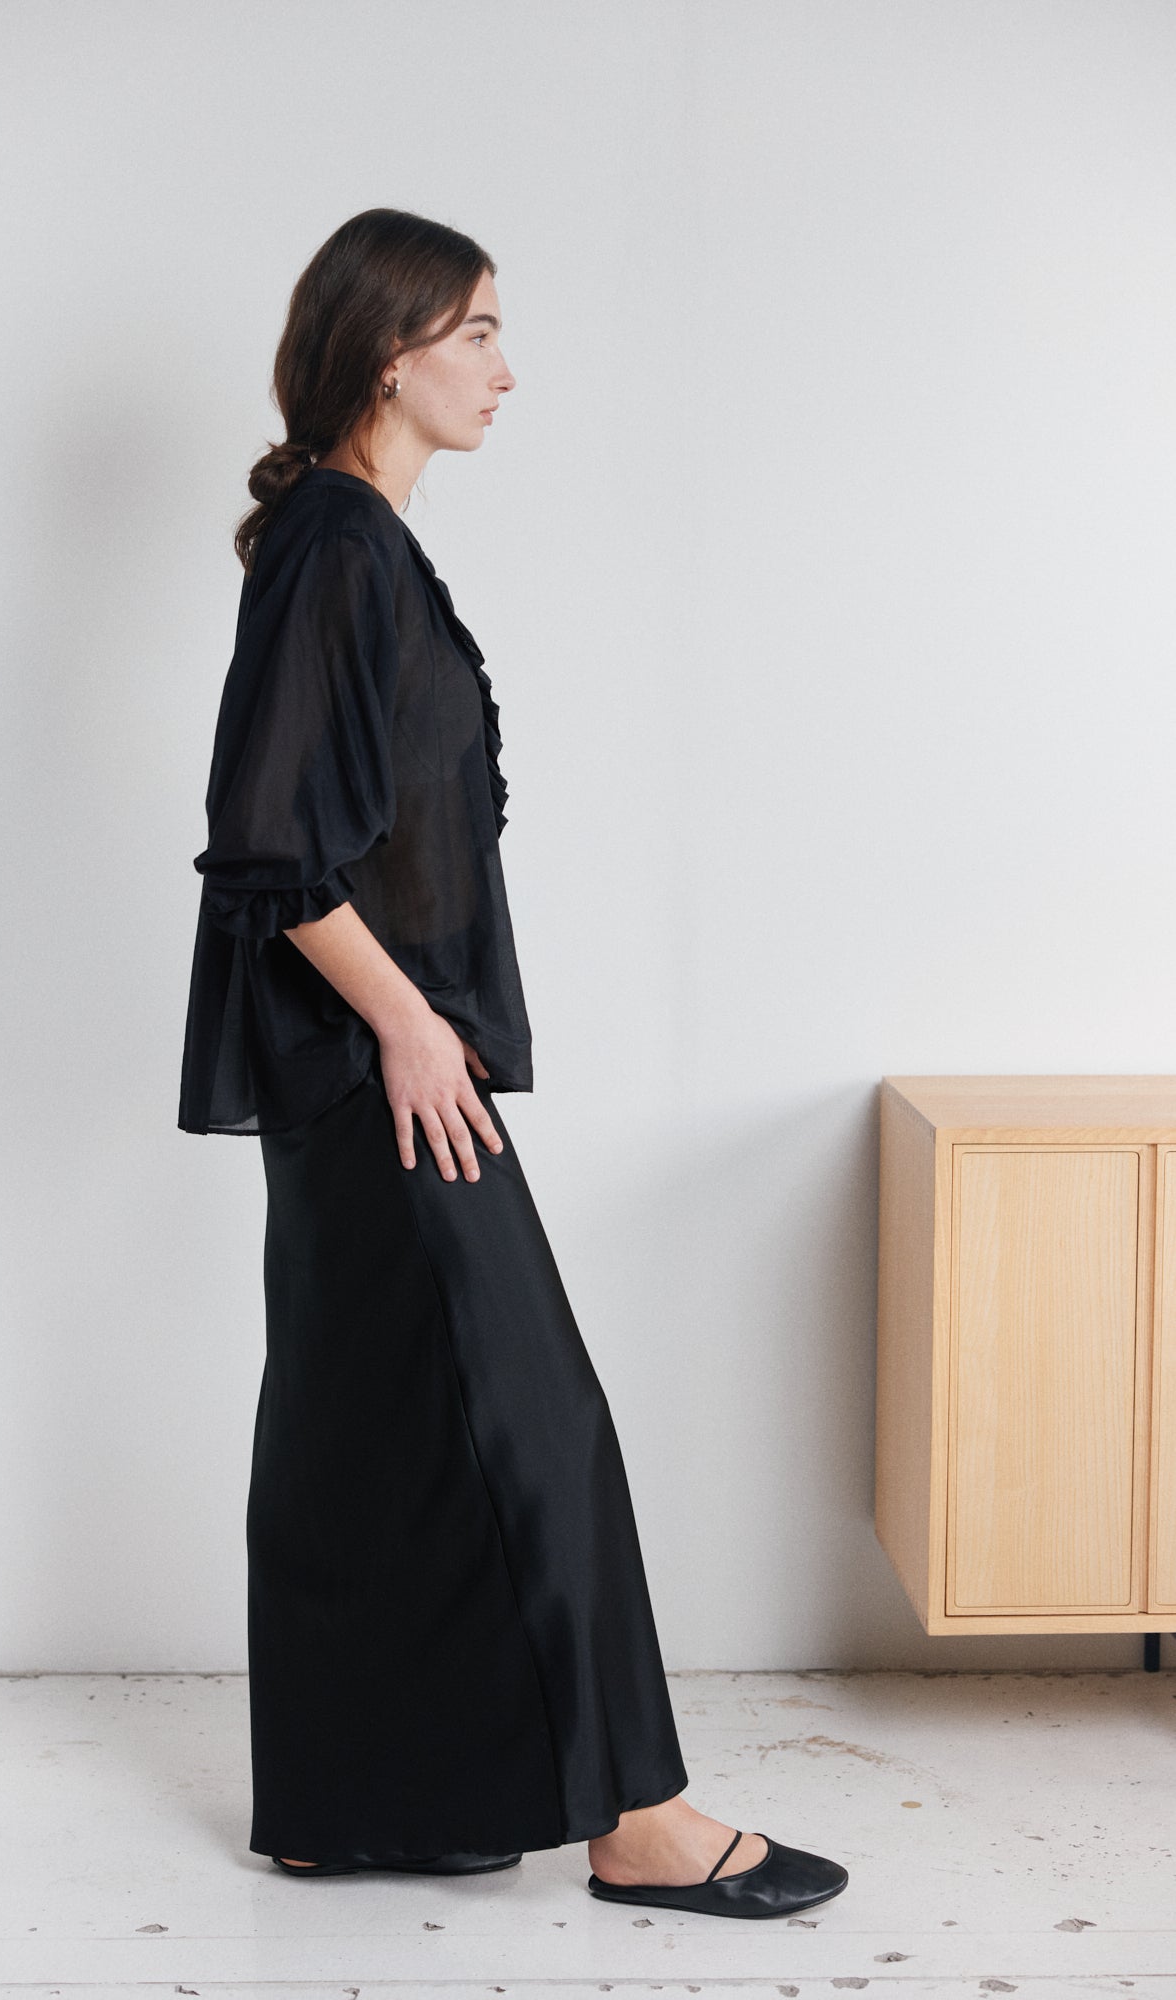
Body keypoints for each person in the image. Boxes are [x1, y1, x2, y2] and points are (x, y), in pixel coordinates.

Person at [177, 207, 848, 1923]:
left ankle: (339, 1805)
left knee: (365, 1432)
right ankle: (640, 1818)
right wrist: (411, 1025)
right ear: (386, 353)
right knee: (532, 1418)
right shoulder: (339, 546)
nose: (503, 366)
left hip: (357, 1068)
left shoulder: (350, 545)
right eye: (474, 331)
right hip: (375, 1066)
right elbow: (268, 845)